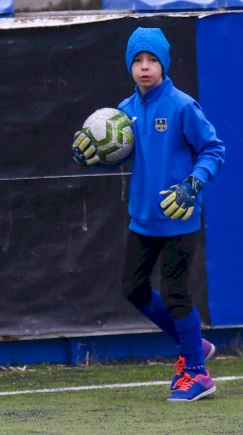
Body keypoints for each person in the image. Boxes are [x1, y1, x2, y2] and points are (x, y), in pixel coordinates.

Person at [73, 27, 225, 402]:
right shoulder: (122, 114)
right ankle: (193, 346)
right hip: (142, 219)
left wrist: (192, 185)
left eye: (152, 60)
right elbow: (117, 158)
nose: (144, 67)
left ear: (164, 64)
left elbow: (213, 150)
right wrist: (91, 158)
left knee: (175, 293)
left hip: (179, 218)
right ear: (130, 66)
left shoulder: (182, 106)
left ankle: (197, 373)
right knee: (134, 289)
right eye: (138, 60)